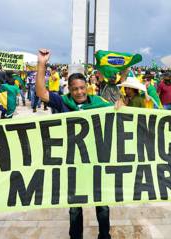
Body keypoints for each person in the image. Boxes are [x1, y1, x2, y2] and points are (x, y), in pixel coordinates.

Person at [35, 48, 112, 239]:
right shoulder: (62, 103)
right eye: (75, 88)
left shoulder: (99, 103)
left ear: (87, 87)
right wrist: (41, 64)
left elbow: (119, 112)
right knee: (75, 209)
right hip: (73, 165)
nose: (79, 92)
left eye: (82, 88)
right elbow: (41, 92)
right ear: (69, 88)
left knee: (102, 204)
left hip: (96, 162)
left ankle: (104, 236)